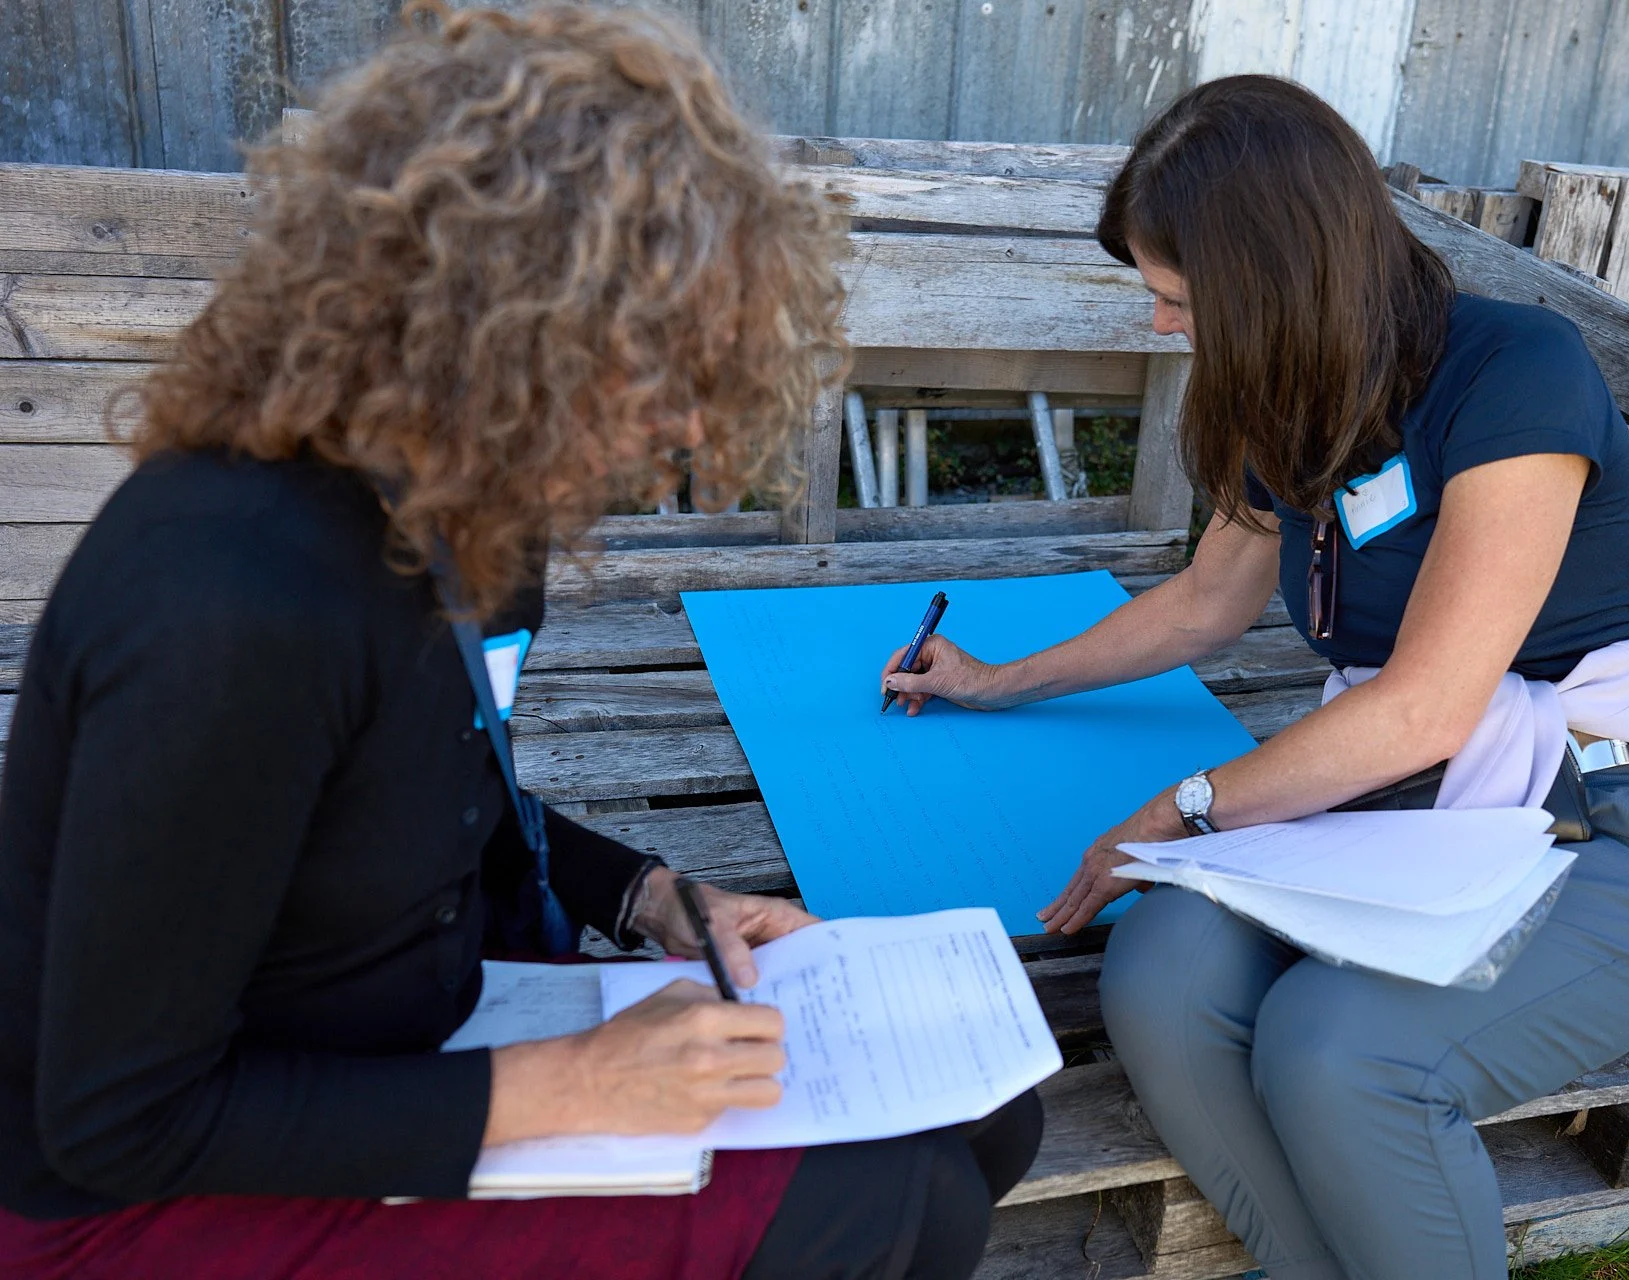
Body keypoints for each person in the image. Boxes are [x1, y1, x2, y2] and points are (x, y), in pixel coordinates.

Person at [0, 5, 1038, 1278]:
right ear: (504, 331)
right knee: (886, 1194)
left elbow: (426, 797)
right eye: (650, 372)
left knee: (985, 1107)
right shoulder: (229, 601)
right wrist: (572, 1085)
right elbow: (115, 1118)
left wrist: (648, 894)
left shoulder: (470, 515)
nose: (674, 437)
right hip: (141, 1198)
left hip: (411, 1026)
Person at [880, 76, 1629, 1280]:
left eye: (1178, 298)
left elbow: (1429, 703)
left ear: (1272, 280)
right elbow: (1205, 602)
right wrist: (995, 680)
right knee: (1162, 971)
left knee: (1336, 1050)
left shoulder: (1516, 376)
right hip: (1389, 822)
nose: (1165, 327)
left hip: (1584, 831)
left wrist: (1184, 808)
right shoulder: (1290, 399)